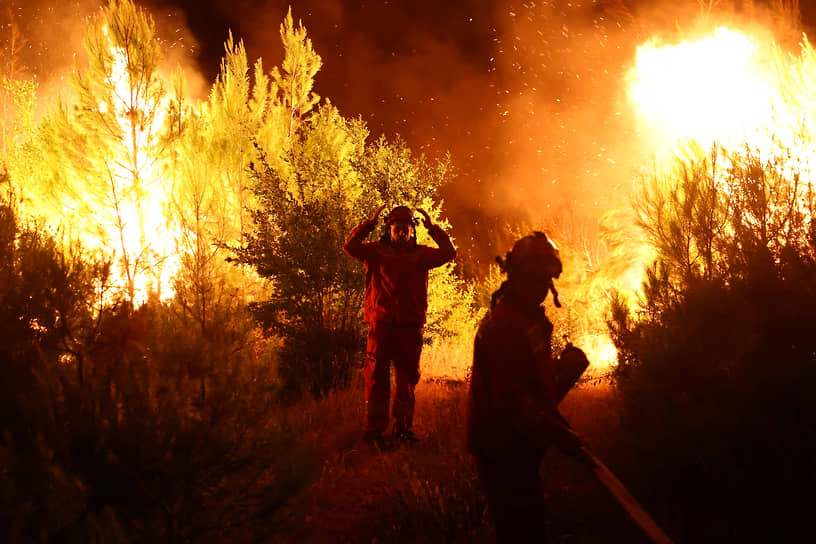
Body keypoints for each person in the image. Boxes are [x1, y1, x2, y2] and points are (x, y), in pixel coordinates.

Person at [467, 231, 591, 543]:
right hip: (500, 445)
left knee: (530, 522)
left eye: (545, 277)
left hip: (520, 443)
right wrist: (558, 434)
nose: (540, 285)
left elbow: (533, 384)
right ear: (517, 276)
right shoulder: (506, 325)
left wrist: (563, 372)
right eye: (534, 276)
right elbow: (512, 401)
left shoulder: (529, 319)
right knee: (518, 529)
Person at [343, 204, 456, 446]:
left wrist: (434, 228)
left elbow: (449, 253)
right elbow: (350, 247)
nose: (402, 232)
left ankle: (403, 429)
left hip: (409, 328)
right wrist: (368, 225)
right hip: (382, 327)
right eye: (397, 228)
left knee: (406, 381)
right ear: (389, 229)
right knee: (376, 380)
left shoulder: (422, 255)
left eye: (406, 229)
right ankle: (374, 431)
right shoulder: (375, 252)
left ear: (412, 231)